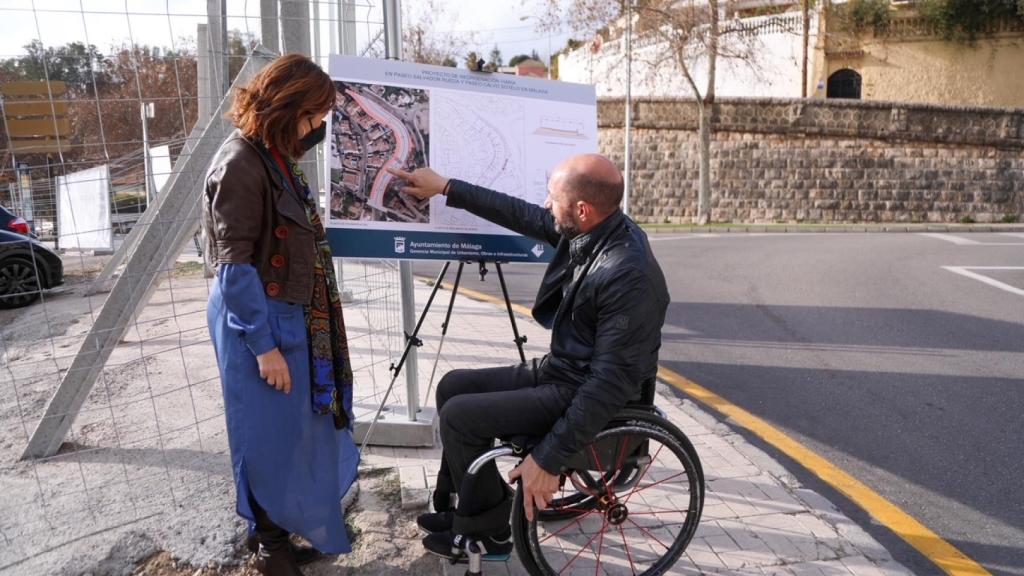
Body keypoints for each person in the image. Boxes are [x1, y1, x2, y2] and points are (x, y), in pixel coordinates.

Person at [386, 154, 669, 562]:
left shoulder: (628, 274)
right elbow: (518, 212)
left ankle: (489, 534)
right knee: (453, 386)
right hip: (563, 370)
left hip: (583, 391)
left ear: (582, 210)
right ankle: (472, 504)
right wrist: (447, 186)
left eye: (552, 198)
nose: (545, 206)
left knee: (461, 417)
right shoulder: (592, 231)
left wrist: (548, 457)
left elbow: (610, 384)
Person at [203, 54, 357, 576]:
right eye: (314, 116)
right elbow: (235, 266)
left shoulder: (272, 157)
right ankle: (270, 551)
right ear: (287, 107)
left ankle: (279, 540)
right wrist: (263, 346)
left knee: (292, 436)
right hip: (259, 322)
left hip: (286, 318)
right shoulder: (241, 164)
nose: (318, 129)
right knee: (262, 438)